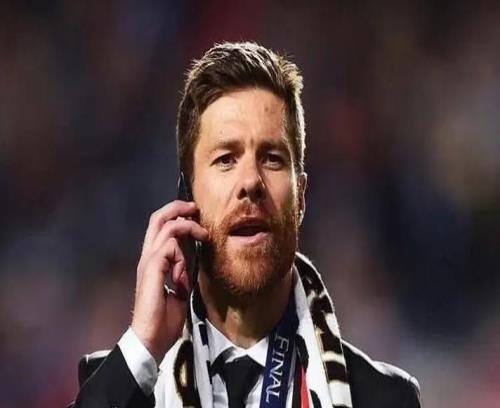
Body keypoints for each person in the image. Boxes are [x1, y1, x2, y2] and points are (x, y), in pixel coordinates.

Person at [71, 42, 421, 408]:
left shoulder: (383, 398)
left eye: (272, 158)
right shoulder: (124, 390)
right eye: (226, 159)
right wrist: (143, 345)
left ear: (301, 197)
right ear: (187, 197)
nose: (251, 181)